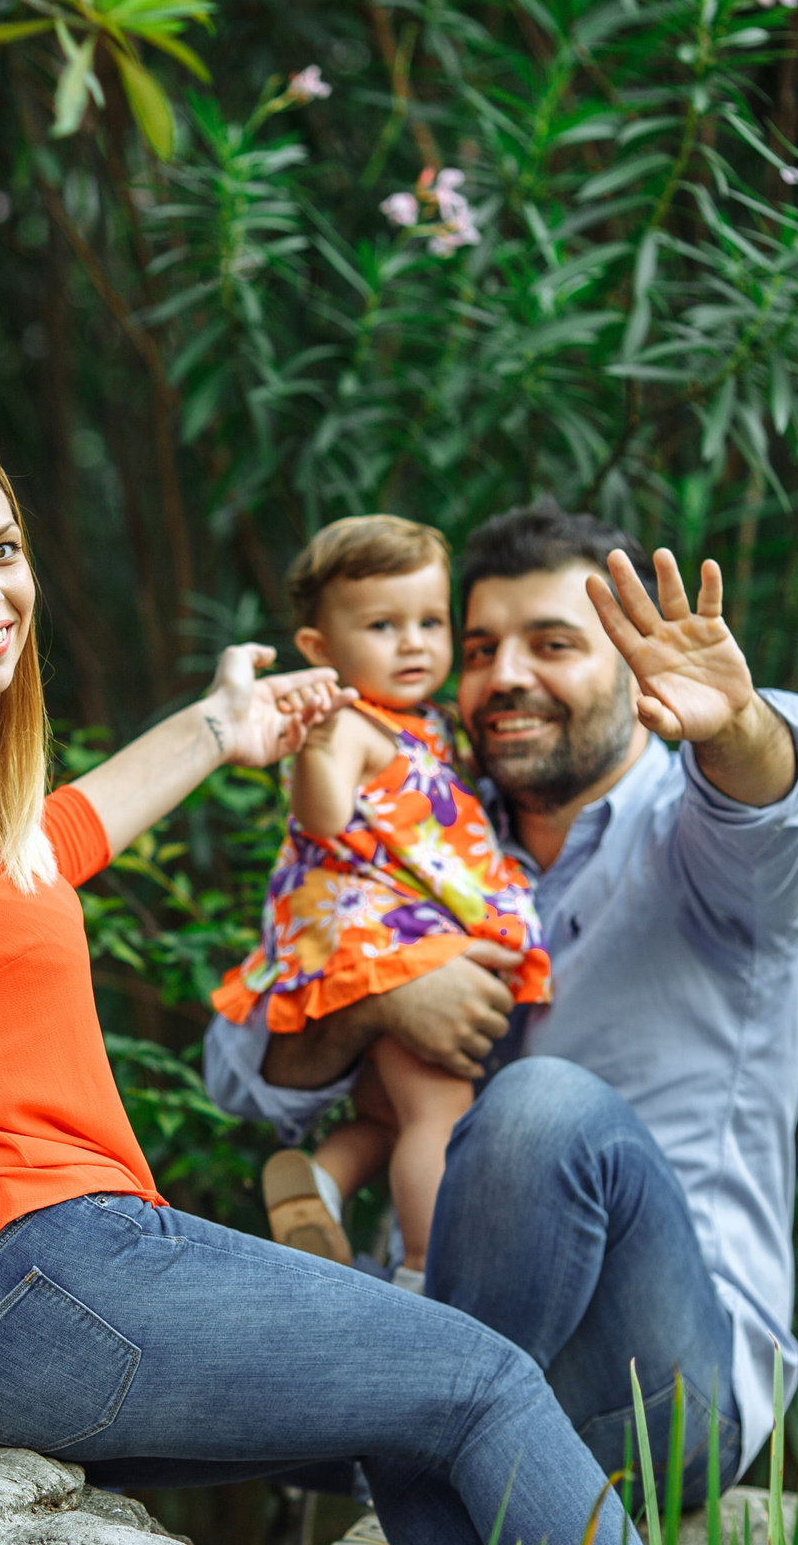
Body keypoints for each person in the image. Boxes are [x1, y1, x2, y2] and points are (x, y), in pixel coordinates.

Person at [0, 412, 707, 1545]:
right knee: (484, 1378)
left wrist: (218, 728)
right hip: (9, 1288)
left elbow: (50, 849)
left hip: (5, 1302)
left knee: (418, 1426)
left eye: (1, 550)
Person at [206, 500, 798, 1506]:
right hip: (458, 1348)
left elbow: (771, 801)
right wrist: (386, 1002)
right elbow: (241, 1068)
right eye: (479, 648)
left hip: (660, 1380)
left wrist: (737, 726)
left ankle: (409, 1502)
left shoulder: (703, 840)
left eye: (551, 645)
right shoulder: (433, 835)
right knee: (184, 1305)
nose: (504, 677)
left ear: (638, 670)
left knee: (542, 1109)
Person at [210, 516, 550, 1292]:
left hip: (391, 939)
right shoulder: (351, 722)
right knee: (441, 1111)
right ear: (321, 651)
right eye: (383, 625)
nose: (414, 644)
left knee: (395, 1110)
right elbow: (324, 817)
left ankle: (320, 1180)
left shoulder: (428, 725)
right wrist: (319, 745)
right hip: (387, 944)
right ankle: (426, 1271)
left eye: (431, 622)